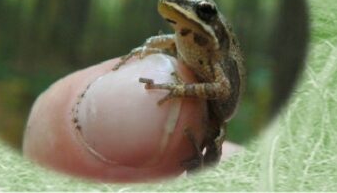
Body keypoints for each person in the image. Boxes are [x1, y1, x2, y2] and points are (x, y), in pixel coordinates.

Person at [22, 54, 241, 183]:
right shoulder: (188, 39)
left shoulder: (216, 52)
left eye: (203, 10)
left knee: (207, 159)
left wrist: (183, 89)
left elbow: (223, 88)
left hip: (218, 115)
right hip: (196, 112)